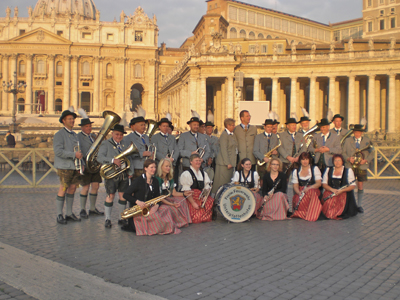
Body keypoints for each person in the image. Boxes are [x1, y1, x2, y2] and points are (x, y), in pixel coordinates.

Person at [123, 159, 181, 235]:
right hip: (140, 209)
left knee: (166, 209)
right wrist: (137, 201)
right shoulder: (138, 181)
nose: (154, 169)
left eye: (155, 167)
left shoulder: (155, 181)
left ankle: (163, 227)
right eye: (151, 167)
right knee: (156, 217)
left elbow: (158, 197)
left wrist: (156, 206)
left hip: (150, 206)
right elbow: (125, 195)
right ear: (145, 168)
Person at [97, 124, 133, 228]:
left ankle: (121, 218)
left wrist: (130, 171)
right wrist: (112, 160)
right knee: (111, 196)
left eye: (121, 134)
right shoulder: (105, 143)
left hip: (123, 173)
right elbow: (100, 157)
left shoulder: (125, 143)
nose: (119, 136)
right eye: (117, 134)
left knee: (122, 196)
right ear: (112, 134)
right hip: (111, 174)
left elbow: (129, 158)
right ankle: (107, 219)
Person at [53, 108, 83, 224]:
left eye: (73, 119)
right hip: (64, 166)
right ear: (63, 121)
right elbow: (58, 151)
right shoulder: (59, 135)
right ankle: (59, 214)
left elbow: (78, 150)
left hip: (74, 166)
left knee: (73, 188)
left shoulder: (75, 135)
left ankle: (69, 213)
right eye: (70, 119)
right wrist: (73, 154)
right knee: (63, 188)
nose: (72, 121)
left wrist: (81, 163)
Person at [342, 123, 374, 213]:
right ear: (354, 132)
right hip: (350, 165)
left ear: (361, 133)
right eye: (356, 132)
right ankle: (349, 204)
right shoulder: (348, 140)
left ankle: (359, 205)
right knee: (349, 185)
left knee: (360, 185)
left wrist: (366, 160)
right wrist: (348, 158)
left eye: (359, 132)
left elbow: (372, 153)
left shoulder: (367, 140)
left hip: (362, 165)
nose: (357, 134)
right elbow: (343, 152)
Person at [77, 110, 103, 218]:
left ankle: (92, 208)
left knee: (96, 186)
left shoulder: (93, 136)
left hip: (95, 165)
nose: (89, 128)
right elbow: (79, 150)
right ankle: (82, 209)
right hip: (85, 164)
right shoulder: (78, 137)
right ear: (82, 127)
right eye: (87, 126)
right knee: (85, 187)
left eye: (90, 126)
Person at [155, 158, 192, 226]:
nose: (168, 168)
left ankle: (186, 220)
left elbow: (174, 193)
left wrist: (184, 194)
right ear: (161, 167)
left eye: (169, 166)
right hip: (160, 200)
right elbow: (159, 197)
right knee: (173, 207)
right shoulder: (157, 179)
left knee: (182, 201)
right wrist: (171, 204)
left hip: (169, 198)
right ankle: (176, 223)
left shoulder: (170, 178)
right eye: (166, 166)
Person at [321, 154, 358, 219]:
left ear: (342, 162)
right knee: (329, 203)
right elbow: (324, 184)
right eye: (335, 160)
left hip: (343, 192)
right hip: (331, 191)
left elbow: (352, 186)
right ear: (333, 162)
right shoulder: (328, 170)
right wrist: (332, 190)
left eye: (339, 160)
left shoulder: (348, 170)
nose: (337, 162)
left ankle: (336, 213)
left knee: (339, 205)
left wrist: (342, 190)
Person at [180, 154, 214, 223]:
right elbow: (187, 191)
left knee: (210, 201)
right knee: (196, 216)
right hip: (191, 197)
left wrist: (205, 196)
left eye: (199, 160)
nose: (198, 162)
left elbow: (207, 187)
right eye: (196, 161)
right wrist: (193, 203)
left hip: (201, 195)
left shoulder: (204, 173)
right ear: (191, 162)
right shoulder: (186, 174)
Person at [291, 152, 323, 222]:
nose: (305, 161)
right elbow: (295, 185)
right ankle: (303, 214)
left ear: (309, 160)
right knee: (299, 198)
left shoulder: (314, 169)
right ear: (300, 161)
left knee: (310, 193)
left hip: (313, 189)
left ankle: (312, 215)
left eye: (306, 159)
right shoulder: (296, 171)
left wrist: (309, 188)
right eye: (303, 159)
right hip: (301, 191)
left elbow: (318, 184)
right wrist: (298, 192)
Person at [124, 108, 153, 180]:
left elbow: (149, 147)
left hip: (147, 166)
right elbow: (127, 154)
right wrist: (142, 153)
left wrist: (151, 153)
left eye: (144, 125)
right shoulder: (129, 137)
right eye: (141, 125)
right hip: (137, 167)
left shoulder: (146, 137)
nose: (144, 127)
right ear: (135, 126)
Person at [212, 118, 238, 194]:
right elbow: (224, 150)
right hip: (224, 164)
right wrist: (227, 163)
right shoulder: (224, 135)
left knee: (228, 182)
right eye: (233, 125)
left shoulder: (232, 135)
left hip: (231, 162)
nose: (234, 126)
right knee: (222, 183)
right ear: (228, 126)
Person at [204, 116, 218, 181]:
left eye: (211, 128)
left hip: (214, 160)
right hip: (205, 160)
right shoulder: (203, 137)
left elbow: (216, 149)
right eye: (208, 128)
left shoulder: (215, 138)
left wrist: (212, 157)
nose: (210, 129)